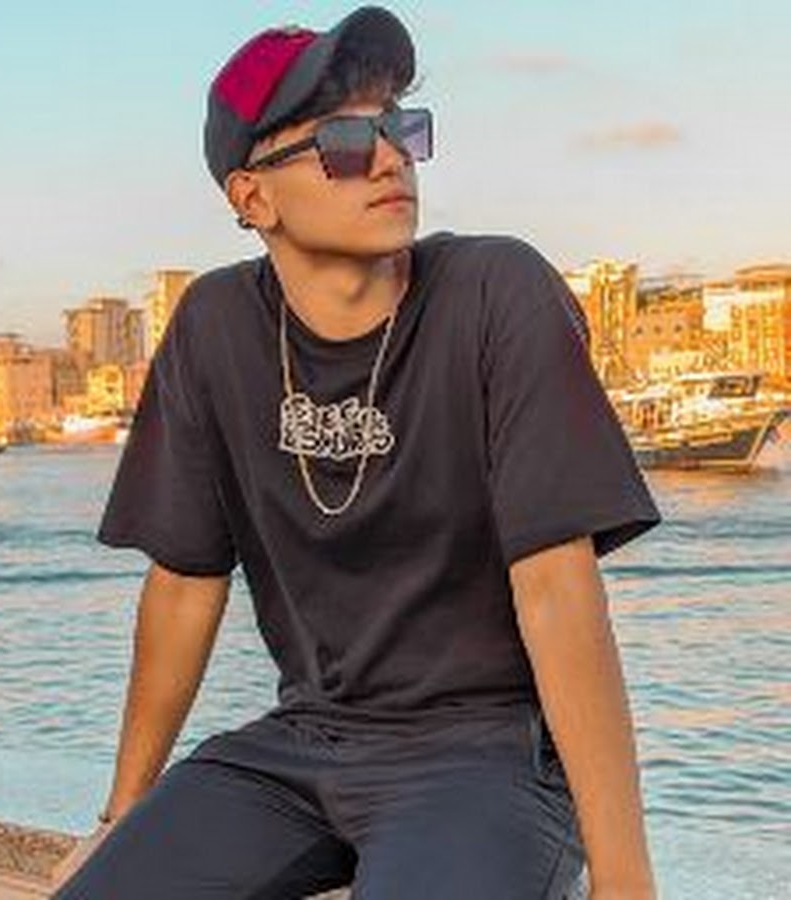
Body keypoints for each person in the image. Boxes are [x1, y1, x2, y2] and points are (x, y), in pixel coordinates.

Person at [50, 6, 663, 899]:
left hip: (488, 754)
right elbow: (184, 583)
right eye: (341, 141)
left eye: (400, 128)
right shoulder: (214, 326)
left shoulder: (498, 292)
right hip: (302, 743)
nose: (387, 158)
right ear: (251, 197)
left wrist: (626, 877)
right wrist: (122, 815)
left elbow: (558, 591)